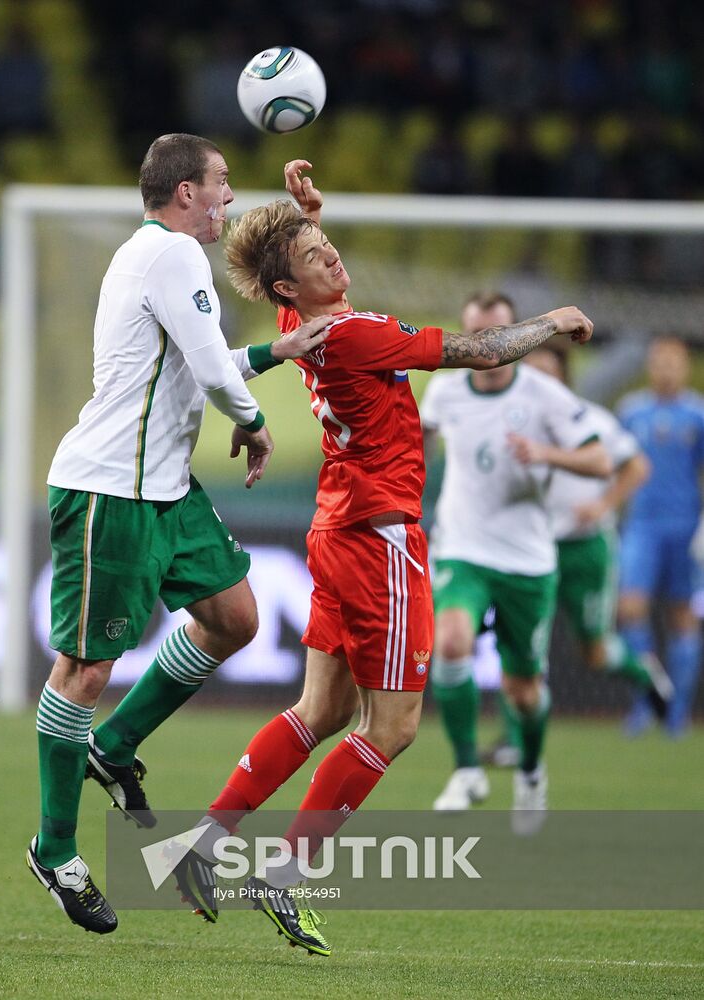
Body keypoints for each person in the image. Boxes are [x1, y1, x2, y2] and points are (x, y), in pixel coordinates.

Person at [173, 169, 594, 957]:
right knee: (393, 726)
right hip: (382, 537)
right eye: (316, 252)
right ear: (285, 282)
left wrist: (305, 218)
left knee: (322, 712)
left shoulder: (305, 322)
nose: (332, 256)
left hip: (336, 529)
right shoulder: (358, 333)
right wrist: (552, 322)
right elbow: (474, 349)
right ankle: (287, 874)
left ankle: (201, 847)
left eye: (328, 245)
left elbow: (293, 281)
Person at [26, 135, 332, 935]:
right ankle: (54, 849)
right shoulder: (171, 257)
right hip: (110, 490)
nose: (229, 197)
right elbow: (205, 366)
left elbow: (198, 357)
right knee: (83, 671)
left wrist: (272, 351)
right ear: (187, 192)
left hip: (162, 488)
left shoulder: (158, 257)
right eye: (222, 183)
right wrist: (257, 424)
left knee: (235, 618)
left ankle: (115, 745)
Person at [419, 293, 610, 831]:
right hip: (463, 547)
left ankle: (530, 772)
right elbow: (420, 443)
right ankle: (465, 770)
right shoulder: (446, 388)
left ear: (518, 335)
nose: (489, 347)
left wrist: (547, 454)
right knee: (451, 641)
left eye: (499, 335)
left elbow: (600, 459)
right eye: (478, 335)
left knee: (522, 691)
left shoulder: (545, 395)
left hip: (527, 560)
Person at [521, 347, 672, 714]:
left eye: (547, 373)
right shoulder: (512, 422)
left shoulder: (592, 421)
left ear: (563, 379)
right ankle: (517, 740)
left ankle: (642, 671)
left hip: (585, 548)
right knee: (523, 649)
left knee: (595, 650)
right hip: (530, 547)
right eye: (530, 373)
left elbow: (637, 465)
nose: (538, 383)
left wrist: (604, 504)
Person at [617, 337, 704, 737]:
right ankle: (646, 703)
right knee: (631, 610)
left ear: (684, 368)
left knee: (683, 617)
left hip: (685, 525)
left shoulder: (697, 413)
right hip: (642, 525)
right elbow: (615, 465)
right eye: (659, 362)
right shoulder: (631, 412)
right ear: (649, 367)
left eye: (674, 363)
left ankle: (677, 713)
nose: (666, 369)